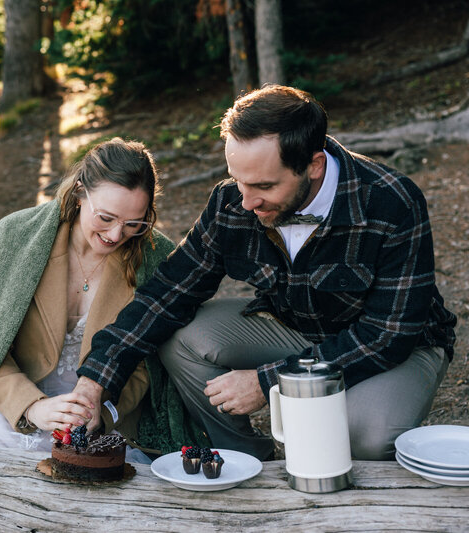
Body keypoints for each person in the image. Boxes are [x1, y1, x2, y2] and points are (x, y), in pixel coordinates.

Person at [72, 85, 457, 461]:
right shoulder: (233, 203)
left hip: (397, 347)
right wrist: (96, 380)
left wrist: (268, 381)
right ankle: (247, 461)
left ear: (314, 165)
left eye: (263, 186)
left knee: (363, 437)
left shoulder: (392, 202)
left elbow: (387, 335)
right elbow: (167, 293)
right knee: (182, 338)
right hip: (293, 328)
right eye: (238, 180)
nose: (246, 200)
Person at [0, 137, 207, 462]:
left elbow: (149, 366)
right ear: (79, 193)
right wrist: (32, 407)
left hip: (108, 424)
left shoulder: (156, 258)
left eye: (134, 223)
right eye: (105, 217)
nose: (116, 235)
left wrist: (102, 413)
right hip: (14, 412)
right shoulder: (16, 237)